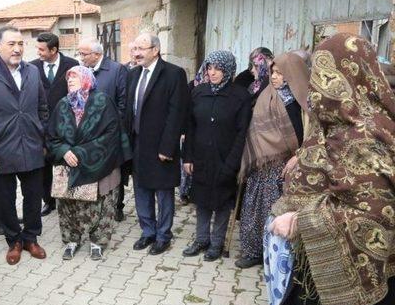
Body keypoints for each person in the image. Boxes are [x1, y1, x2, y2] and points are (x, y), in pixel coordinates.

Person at [265, 33, 395, 305]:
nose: (317, 88)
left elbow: (375, 215)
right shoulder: (339, 124)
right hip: (318, 283)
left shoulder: (366, 134)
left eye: (325, 76)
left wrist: (300, 221)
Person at [0, 25, 49, 265]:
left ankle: (31, 238)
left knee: (34, 196)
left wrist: (43, 138)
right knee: (4, 200)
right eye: (12, 44)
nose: (17, 49)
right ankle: (14, 240)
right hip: (0, 149)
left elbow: (43, 107)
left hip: (32, 147)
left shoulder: (33, 71)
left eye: (21, 44)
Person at [46, 66, 130, 260]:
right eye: (68, 78)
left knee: (102, 203)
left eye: (75, 77)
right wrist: (64, 151)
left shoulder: (102, 101)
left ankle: (97, 242)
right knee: (67, 204)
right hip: (68, 164)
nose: (70, 81)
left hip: (100, 163)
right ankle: (71, 240)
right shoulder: (63, 104)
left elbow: (111, 134)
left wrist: (80, 152)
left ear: (87, 79)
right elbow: (51, 136)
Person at [235, 52, 309, 269]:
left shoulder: (305, 101)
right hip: (264, 167)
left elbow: (316, 135)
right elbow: (255, 131)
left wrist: (299, 156)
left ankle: (281, 258)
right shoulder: (265, 96)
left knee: (284, 212)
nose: (274, 77)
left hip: (294, 168)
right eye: (273, 72)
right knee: (257, 209)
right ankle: (253, 251)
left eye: (279, 73)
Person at [183, 50, 251, 261]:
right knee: (201, 199)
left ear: (228, 70)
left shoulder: (240, 96)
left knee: (222, 202)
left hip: (225, 157)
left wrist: (232, 163)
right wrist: (187, 158)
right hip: (201, 157)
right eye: (209, 67)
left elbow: (242, 132)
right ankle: (201, 239)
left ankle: (217, 243)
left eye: (218, 69)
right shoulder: (198, 92)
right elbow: (190, 127)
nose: (212, 73)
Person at [126, 33, 188, 255]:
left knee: (163, 192)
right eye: (135, 49)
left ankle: (163, 236)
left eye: (141, 48)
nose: (136, 53)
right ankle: (148, 232)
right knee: (141, 190)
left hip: (161, 147)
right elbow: (129, 111)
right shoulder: (133, 74)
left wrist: (167, 147)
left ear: (155, 50)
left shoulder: (173, 74)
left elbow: (176, 113)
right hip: (138, 144)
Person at [77, 37, 129, 222]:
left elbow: (123, 102)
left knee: (114, 170)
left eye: (84, 54)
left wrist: (112, 128)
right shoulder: (82, 71)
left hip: (110, 133)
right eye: (80, 53)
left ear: (97, 54)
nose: (81, 57)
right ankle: (93, 205)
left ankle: (118, 206)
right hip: (87, 134)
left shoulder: (117, 70)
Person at [29, 32, 78, 217]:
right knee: (43, 167)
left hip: (65, 126)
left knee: (65, 162)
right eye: (37, 49)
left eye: (42, 49)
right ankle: (48, 201)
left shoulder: (72, 65)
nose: (38, 52)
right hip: (40, 126)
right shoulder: (32, 67)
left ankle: (68, 198)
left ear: (54, 49)